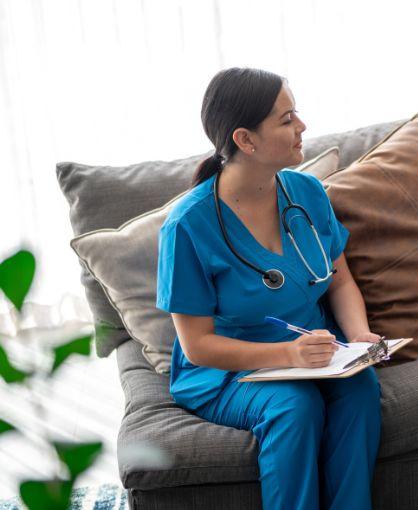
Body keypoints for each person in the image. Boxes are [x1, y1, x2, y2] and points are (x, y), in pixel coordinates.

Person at [156, 67, 381, 510]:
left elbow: (340, 280)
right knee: (293, 408)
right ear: (246, 140)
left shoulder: (307, 193)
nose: (302, 126)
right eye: (287, 118)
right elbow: (198, 345)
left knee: (361, 390)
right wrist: (287, 356)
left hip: (316, 354)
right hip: (226, 370)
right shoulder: (187, 227)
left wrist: (357, 338)